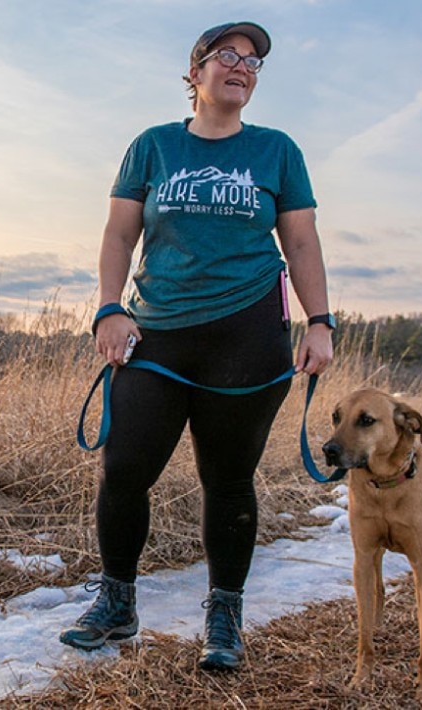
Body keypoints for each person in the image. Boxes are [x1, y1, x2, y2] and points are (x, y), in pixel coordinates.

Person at [59, 21, 335, 671]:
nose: (241, 67)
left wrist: (320, 321)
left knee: (228, 480)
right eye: (227, 57)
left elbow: (300, 242)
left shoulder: (277, 151)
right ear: (196, 73)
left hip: (248, 336)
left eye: (252, 63)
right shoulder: (152, 147)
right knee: (126, 468)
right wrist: (107, 310)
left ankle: (224, 615)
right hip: (157, 334)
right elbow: (119, 236)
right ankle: (118, 603)